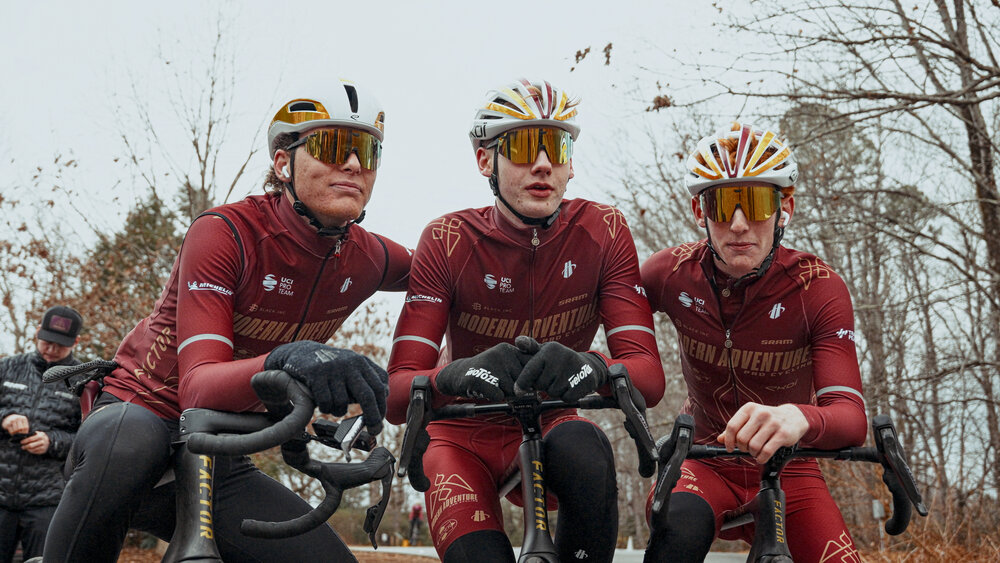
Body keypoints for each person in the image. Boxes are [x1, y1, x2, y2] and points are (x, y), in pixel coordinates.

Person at [43, 79, 411, 563]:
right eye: (333, 145)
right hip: (137, 419)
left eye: (369, 151)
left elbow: (452, 277)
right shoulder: (226, 233)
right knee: (132, 443)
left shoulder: (369, 256)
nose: (355, 164)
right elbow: (198, 387)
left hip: (217, 454)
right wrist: (291, 359)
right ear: (283, 163)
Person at [387, 78, 665, 563]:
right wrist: (453, 375)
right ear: (484, 161)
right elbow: (396, 394)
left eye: (556, 147)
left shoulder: (605, 231)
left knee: (587, 447)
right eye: (520, 147)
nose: (542, 164)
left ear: (571, 164)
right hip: (461, 437)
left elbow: (649, 378)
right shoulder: (447, 239)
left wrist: (593, 366)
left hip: (554, 425)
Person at [640, 122, 867, 562]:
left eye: (758, 203)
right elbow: (608, 320)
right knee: (676, 531)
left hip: (790, 469)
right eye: (723, 205)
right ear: (699, 211)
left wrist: (798, 417)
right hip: (702, 462)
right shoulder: (669, 273)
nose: (739, 224)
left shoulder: (818, 288)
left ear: (785, 209)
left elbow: (851, 417)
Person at [0, 306, 83, 563]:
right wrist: (4, 419)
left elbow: (90, 439)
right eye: (47, 341)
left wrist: (53, 442)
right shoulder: (7, 368)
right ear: (37, 332)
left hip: (48, 501)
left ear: (76, 342)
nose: (51, 349)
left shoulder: (84, 381)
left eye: (61, 345)